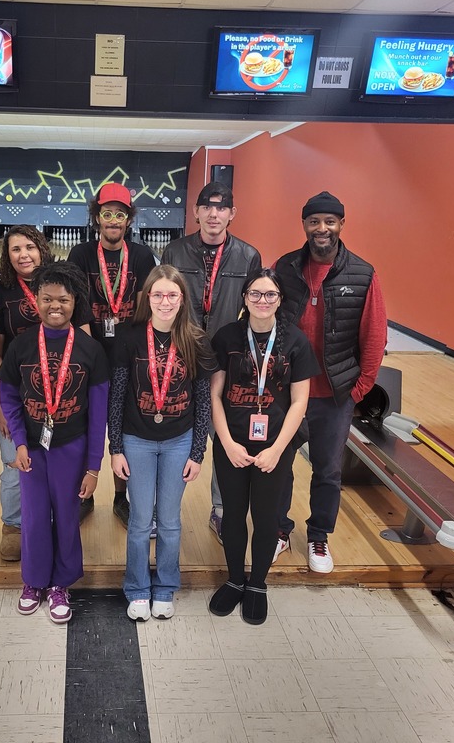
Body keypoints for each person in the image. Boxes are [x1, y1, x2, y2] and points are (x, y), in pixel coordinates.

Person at [273, 191, 387, 574]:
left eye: (329, 221)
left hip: (334, 395)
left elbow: (374, 336)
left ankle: (319, 535)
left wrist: (358, 389)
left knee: (328, 470)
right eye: (314, 221)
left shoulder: (363, 273)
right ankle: (278, 529)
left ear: (341, 224)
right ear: (304, 224)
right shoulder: (285, 267)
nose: (322, 228)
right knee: (280, 464)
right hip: (289, 392)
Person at [0, 261, 109, 624]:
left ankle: (61, 584)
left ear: (75, 301)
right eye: (47, 299)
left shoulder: (91, 350)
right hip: (31, 448)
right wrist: (18, 443)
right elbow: (9, 396)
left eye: (62, 299)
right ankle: (33, 582)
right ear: (38, 301)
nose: (54, 306)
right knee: (31, 517)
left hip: (71, 448)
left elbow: (97, 414)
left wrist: (93, 467)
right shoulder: (22, 346)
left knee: (65, 516)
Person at [208, 269, 317, 624]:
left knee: (267, 517)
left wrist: (278, 449)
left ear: (280, 300)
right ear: (244, 298)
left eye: (270, 295)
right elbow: (215, 394)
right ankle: (236, 579)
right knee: (233, 515)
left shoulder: (295, 342)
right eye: (255, 294)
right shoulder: (227, 337)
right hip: (233, 445)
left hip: (275, 446)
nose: (262, 301)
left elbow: (300, 402)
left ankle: (257, 584)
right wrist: (226, 443)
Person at [108, 265, 215, 621]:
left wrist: (198, 452)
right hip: (136, 440)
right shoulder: (128, 336)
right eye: (158, 294)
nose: (165, 301)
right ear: (147, 298)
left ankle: (166, 586)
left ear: (182, 299)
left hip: (178, 441)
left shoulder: (195, 339)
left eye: (172, 295)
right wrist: (116, 448)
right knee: (140, 521)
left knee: (169, 521)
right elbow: (118, 395)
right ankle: (137, 587)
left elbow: (203, 400)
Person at [161, 180, 261, 543]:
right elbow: (165, 300)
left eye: (222, 207)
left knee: (226, 435)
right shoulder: (174, 250)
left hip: (224, 360)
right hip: (182, 355)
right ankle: (164, 511)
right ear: (197, 212)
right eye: (207, 206)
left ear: (232, 214)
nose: (214, 213)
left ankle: (220, 511)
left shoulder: (248, 256)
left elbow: (254, 310)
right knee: (175, 435)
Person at [68, 183, 157, 527]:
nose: (113, 220)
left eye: (120, 214)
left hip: (128, 355)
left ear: (128, 219)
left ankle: (121, 496)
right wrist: (89, 353)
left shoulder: (142, 256)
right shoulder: (80, 255)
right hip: (88, 353)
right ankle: (83, 496)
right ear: (96, 217)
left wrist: (132, 353)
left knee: (123, 429)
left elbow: (145, 307)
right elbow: (75, 304)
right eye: (107, 213)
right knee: (83, 426)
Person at [0, 225, 56, 562]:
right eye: (15, 249)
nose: (24, 255)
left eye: (30, 247)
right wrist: (0, 405)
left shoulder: (61, 285)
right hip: (16, 391)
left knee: (53, 461)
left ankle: (51, 520)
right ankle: (12, 526)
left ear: (41, 248)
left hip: (58, 389)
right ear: (7, 255)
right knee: (14, 461)